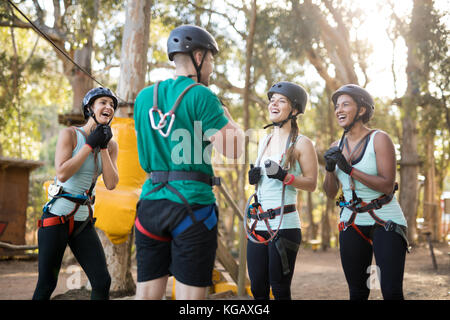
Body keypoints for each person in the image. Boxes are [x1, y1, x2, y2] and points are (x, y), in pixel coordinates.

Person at [133, 25, 244, 300]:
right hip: (192, 207)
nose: (212, 68)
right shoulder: (202, 96)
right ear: (198, 56)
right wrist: (227, 117)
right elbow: (234, 148)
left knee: (146, 293)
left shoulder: (144, 97)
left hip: (150, 205)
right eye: (212, 60)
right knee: (191, 300)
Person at [323, 84, 408, 300]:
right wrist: (330, 169)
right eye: (336, 106)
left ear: (361, 110)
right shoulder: (336, 145)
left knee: (390, 291)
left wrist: (349, 169)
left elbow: (387, 185)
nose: (338, 110)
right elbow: (330, 192)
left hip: (385, 219)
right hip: (351, 221)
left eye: (345, 105)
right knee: (358, 292)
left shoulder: (379, 139)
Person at [33, 87, 119, 300]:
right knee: (46, 284)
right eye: (103, 102)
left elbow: (111, 183)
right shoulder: (70, 134)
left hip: (82, 221)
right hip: (56, 217)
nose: (108, 107)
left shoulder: (111, 145)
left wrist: (104, 147)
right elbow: (62, 173)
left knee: (102, 281)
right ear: (90, 108)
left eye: (112, 104)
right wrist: (89, 146)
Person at [246, 81, 318, 300]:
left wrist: (285, 176)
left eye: (281, 101)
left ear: (294, 110)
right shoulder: (264, 140)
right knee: (258, 288)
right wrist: (255, 178)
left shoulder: (302, 143)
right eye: (271, 100)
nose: (273, 104)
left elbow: (312, 183)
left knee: (279, 288)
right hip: (258, 223)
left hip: (284, 225)